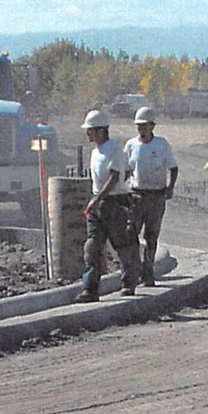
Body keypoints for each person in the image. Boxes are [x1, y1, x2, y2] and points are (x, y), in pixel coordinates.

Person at [76, 109, 141, 303]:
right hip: (98, 203)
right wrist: (95, 199)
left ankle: (129, 282)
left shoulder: (114, 150)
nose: (87, 133)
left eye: (90, 130)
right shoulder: (95, 151)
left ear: (101, 130)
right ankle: (90, 289)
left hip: (114, 203)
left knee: (121, 245)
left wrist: (98, 200)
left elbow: (115, 177)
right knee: (92, 247)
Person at [124, 107, 179, 288]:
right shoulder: (131, 146)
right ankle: (135, 270)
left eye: (145, 126)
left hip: (156, 196)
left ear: (152, 126)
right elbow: (125, 170)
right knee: (131, 235)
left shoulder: (161, 145)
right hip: (136, 195)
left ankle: (148, 273)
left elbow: (173, 167)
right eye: (139, 126)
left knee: (151, 236)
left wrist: (170, 187)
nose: (141, 129)